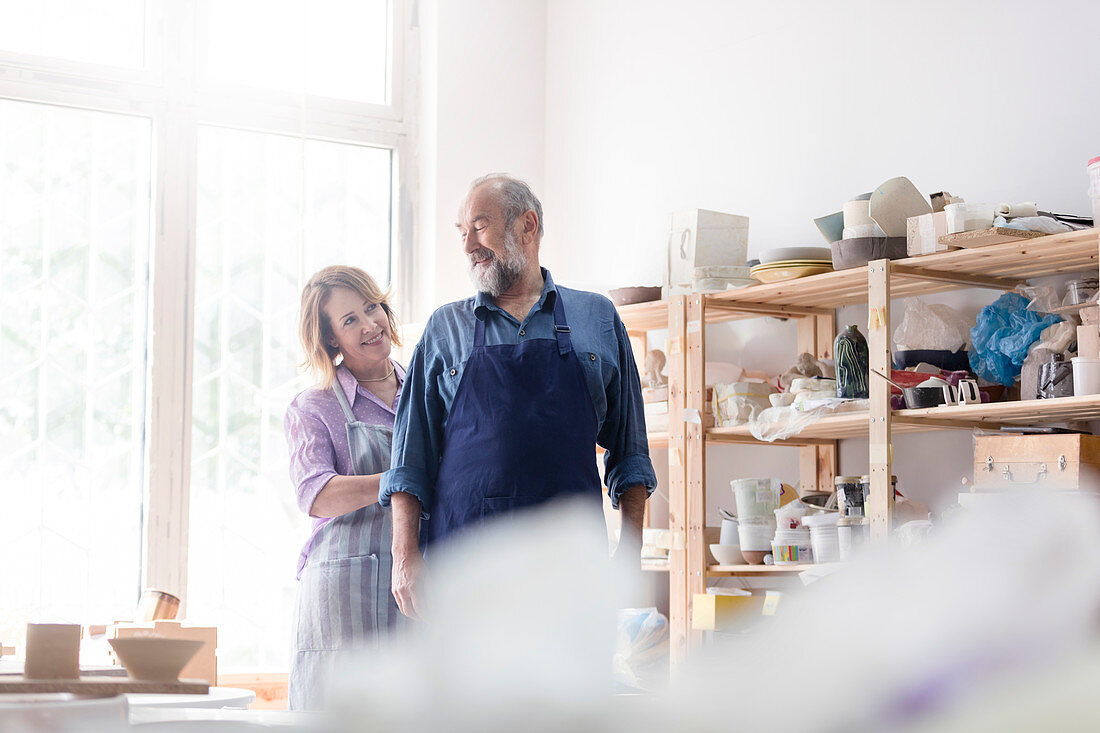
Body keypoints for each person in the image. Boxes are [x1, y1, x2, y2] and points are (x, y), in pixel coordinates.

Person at [379, 174, 656, 619]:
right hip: (464, 575)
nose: (468, 243)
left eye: (480, 225)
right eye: (461, 231)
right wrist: (403, 558)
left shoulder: (597, 317)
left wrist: (630, 554)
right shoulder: (443, 328)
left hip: (571, 580)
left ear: (528, 226)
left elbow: (631, 451)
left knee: (573, 691)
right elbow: (410, 461)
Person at [284, 265, 405, 710]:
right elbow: (315, 494)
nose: (370, 325)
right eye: (350, 319)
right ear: (331, 338)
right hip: (342, 594)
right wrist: (396, 481)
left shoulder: (427, 392)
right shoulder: (313, 406)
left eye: (372, 308)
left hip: (415, 580)